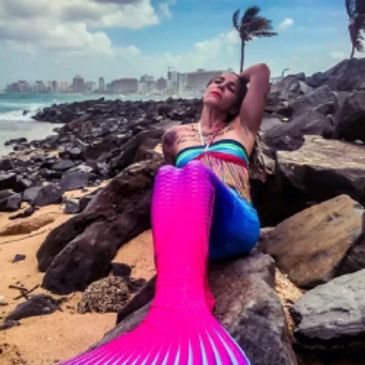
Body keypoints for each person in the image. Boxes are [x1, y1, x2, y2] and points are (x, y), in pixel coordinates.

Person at [59, 64, 270, 365]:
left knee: (193, 170)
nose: (220, 86)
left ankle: (181, 308)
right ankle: (176, 302)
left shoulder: (242, 128)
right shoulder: (175, 135)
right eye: (216, 81)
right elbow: (173, 192)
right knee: (168, 174)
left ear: (237, 103)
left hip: (235, 224)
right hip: (196, 234)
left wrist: (240, 78)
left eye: (230, 87)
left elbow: (261, 72)